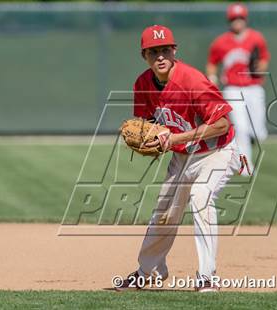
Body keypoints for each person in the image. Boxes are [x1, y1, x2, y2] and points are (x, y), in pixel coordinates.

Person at [116, 25, 241, 293]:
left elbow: (221, 124)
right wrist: (151, 137)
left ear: (174, 51)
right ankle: (147, 272)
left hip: (216, 150)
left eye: (165, 50)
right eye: (153, 52)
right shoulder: (142, 84)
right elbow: (147, 124)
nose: (160, 56)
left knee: (201, 196)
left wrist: (174, 139)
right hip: (184, 155)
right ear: (144, 56)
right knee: (164, 213)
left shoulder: (192, 80)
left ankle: (208, 277)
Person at [206, 3, 270, 175]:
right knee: (240, 127)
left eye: (240, 18)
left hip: (254, 87)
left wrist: (259, 67)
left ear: (245, 19)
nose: (237, 21)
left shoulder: (256, 38)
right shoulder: (221, 42)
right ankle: (245, 166)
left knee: (258, 132)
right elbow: (212, 63)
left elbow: (264, 60)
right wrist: (213, 78)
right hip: (232, 88)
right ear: (229, 20)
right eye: (234, 18)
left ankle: (250, 140)